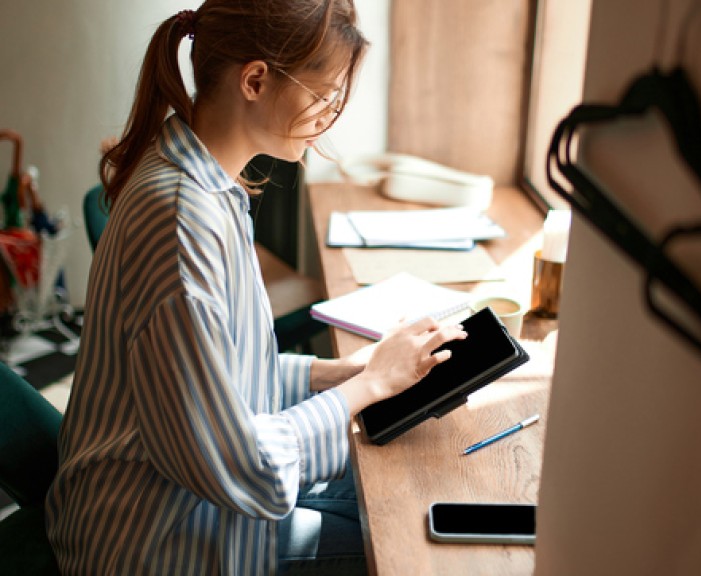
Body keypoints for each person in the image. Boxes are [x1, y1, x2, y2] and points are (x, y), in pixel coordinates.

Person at [45, 1, 467, 575]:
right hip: (156, 540)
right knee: (414, 535)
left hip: (188, 496)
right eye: (323, 97)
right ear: (255, 80)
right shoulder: (180, 221)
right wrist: (368, 385)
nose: (328, 118)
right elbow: (243, 467)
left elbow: (228, 373)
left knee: (420, 486)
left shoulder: (201, 179)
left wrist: (344, 374)